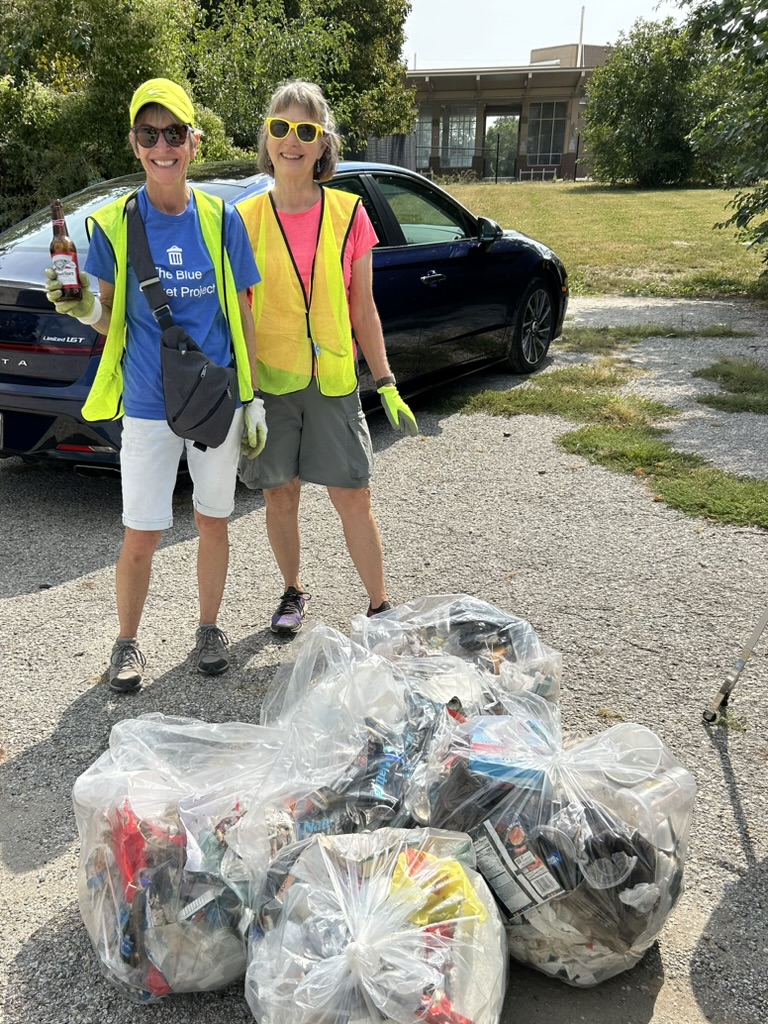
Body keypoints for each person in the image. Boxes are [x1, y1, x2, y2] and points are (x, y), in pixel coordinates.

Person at [44, 78, 267, 693]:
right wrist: (80, 304)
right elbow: (106, 308)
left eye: (174, 134)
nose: (162, 147)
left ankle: (209, 628)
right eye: (150, 135)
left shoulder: (223, 220)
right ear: (135, 144)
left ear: (194, 141)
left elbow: (241, 314)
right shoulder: (115, 224)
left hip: (216, 397)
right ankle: (126, 643)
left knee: (213, 519)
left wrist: (253, 396)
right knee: (142, 532)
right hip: (146, 401)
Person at [238, 80, 418, 637]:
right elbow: (238, 312)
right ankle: (292, 591)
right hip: (271, 383)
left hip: (335, 379)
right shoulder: (241, 219)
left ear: (323, 146)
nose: (292, 140)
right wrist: (245, 395)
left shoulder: (349, 214)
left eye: (307, 131)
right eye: (281, 128)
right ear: (267, 139)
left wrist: (385, 380)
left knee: (353, 494)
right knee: (280, 493)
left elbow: (362, 307)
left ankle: (380, 607)